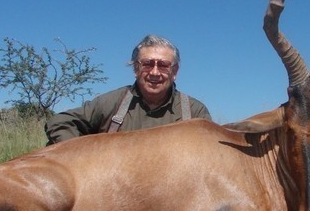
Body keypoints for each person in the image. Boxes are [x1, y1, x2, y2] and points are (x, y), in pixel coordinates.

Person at [45, 34, 211, 144]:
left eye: (163, 65)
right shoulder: (111, 103)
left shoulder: (194, 111)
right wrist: (81, 157)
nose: (154, 72)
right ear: (135, 69)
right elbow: (60, 122)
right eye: (147, 64)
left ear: (174, 72)